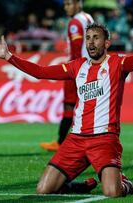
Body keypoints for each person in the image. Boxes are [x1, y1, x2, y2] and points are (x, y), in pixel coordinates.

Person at [0, 11, 133, 197]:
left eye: (96, 38)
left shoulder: (118, 63)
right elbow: (40, 72)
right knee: (43, 189)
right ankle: (77, 186)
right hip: (76, 139)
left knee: (112, 192)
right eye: (88, 38)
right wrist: (9, 56)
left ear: (107, 43)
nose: (91, 42)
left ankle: (124, 183)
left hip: (104, 138)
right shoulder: (77, 66)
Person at [40, 0, 94, 152]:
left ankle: (61, 142)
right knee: (86, 105)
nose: (66, 7)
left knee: (69, 104)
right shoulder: (88, 17)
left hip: (77, 68)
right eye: (65, 4)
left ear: (78, 3)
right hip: (91, 66)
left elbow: (77, 49)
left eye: (70, 4)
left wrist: (74, 69)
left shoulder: (74, 23)